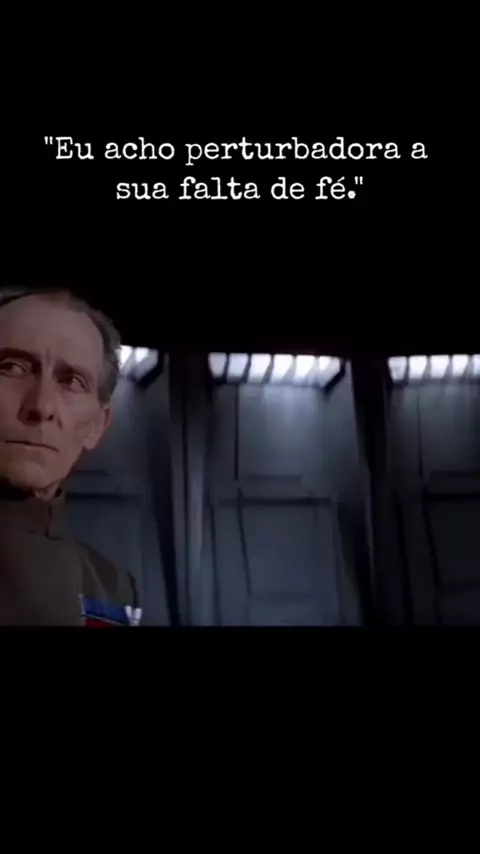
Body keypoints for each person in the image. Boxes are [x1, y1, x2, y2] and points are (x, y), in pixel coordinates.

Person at [0, 286, 141, 626]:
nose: (41, 405)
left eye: (72, 381)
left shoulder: (113, 589)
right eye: (12, 367)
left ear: (97, 426)